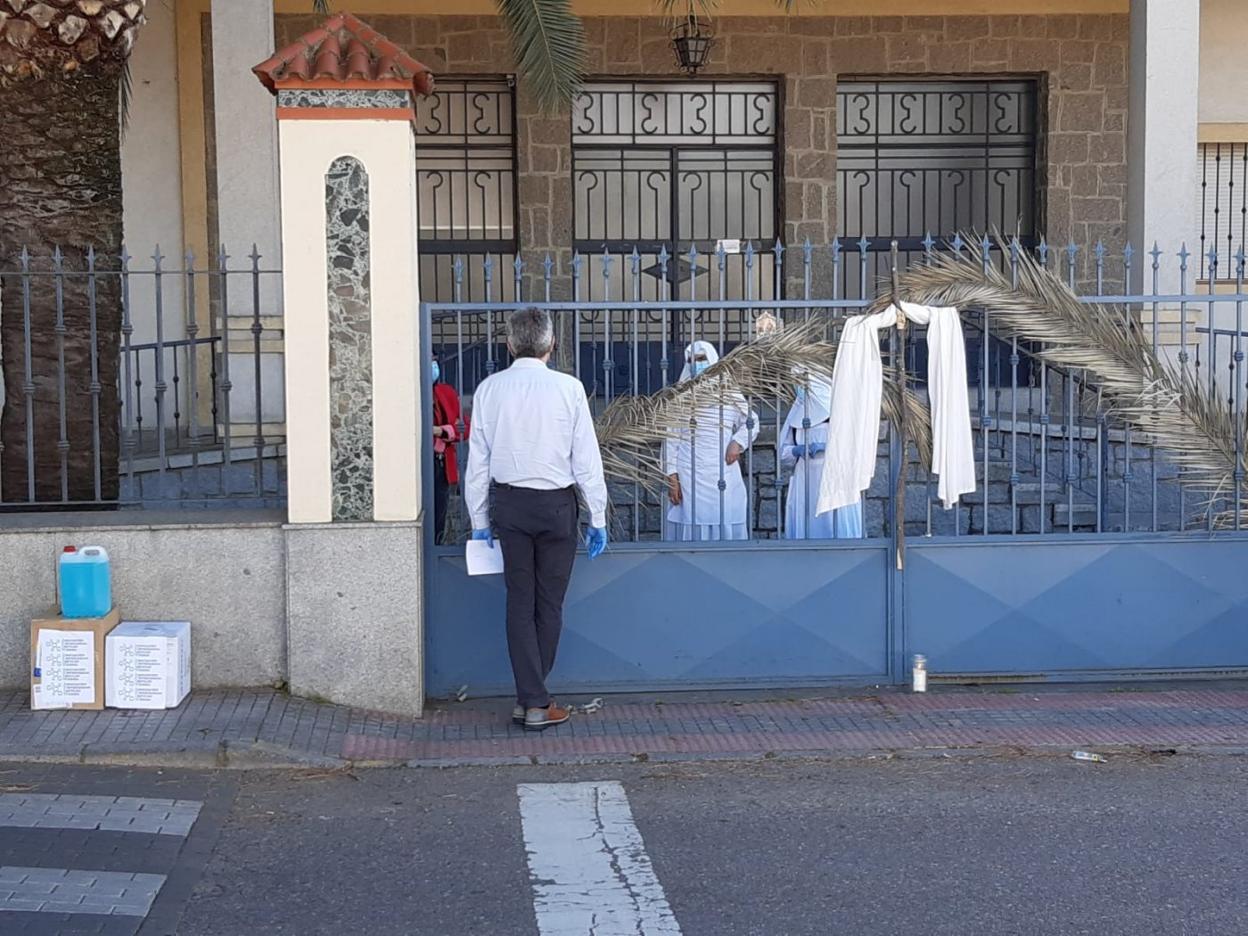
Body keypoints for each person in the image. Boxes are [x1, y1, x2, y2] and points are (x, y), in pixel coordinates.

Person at [464, 309, 609, 731]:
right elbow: (586, 458)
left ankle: (531, 698)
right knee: (549, 604)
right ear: (552, 345)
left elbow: (478, 461)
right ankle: (535, 700)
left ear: (509, 344)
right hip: (556, 506)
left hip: (510, 505)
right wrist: (597, 515)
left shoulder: (489, 389)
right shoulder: (569, 388)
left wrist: (478, 517)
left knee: (519, 601)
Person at [663, 341, 759, 541]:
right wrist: (672, 477)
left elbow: (751, 422)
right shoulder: (680, 397)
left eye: (701, 359)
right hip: (689, 473)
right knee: (691, 523)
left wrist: (737, 443)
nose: (696, 364)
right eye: (691, 360)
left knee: (724, 517)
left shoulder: (729, 392)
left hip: (722, 470)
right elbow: (671, 439)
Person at [780, 371, 863, 539]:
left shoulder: (839, 412)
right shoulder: (797, 413)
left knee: (834, 524)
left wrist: (826, 447)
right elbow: (783, 452)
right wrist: (796, 450)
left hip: (834, 477)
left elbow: (854, 446)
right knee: (808, 525)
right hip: (805, 479)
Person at [431, 359, 466, 544]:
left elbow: (464, 427)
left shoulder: (445, 392)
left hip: (441, 462)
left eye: (434, 360)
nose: (433, 364)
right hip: (418, 462)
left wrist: (442, 431)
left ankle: (437, 546)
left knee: (439, 515)